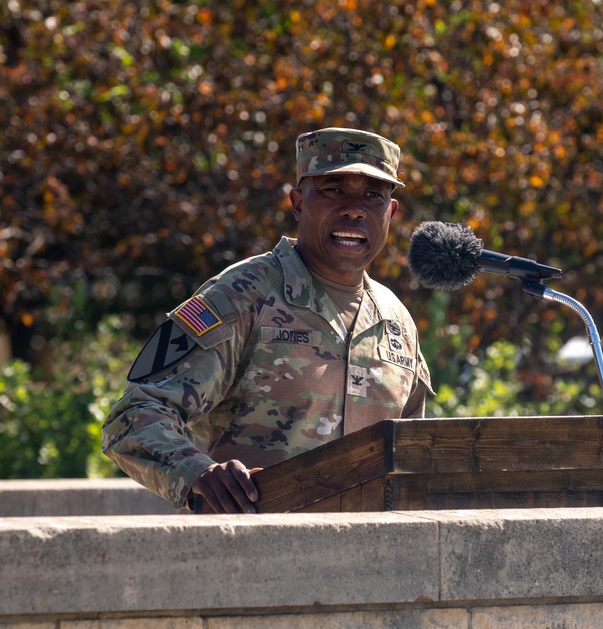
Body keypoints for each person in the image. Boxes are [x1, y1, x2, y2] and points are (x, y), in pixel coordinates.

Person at [102, 127, 432, 514]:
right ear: (297, 202)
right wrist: (198, 474)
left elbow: (413, 457)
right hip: (250, 556)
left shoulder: (396, 321)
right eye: (332, 190)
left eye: (373, 195)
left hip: (367, 559)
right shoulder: (243, 294)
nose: (354, 209)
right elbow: (134, 416)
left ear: (390, 212)